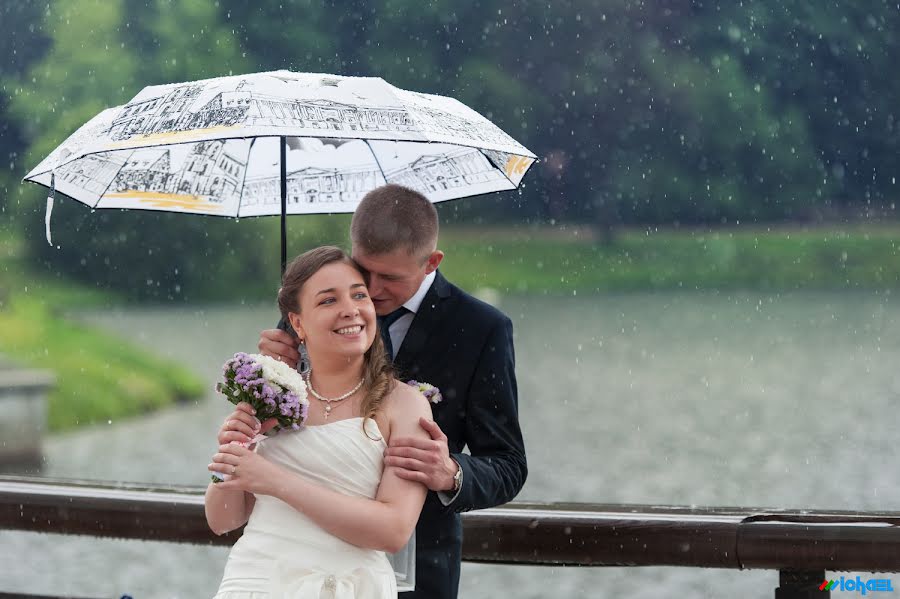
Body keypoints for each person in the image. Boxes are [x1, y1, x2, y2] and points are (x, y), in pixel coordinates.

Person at [258, 184, 528, 599]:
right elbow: (275, 430)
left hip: (420, 566)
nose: (373, 290)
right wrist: (276, 373)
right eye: (365, 271)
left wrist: (451, 473)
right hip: (305, 560)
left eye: (390, 278)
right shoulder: (311, 313)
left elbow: (509, 464)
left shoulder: (481, 328)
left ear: (431, 262)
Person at [207, 245, 433, 598]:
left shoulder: (404, 405)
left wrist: (273, 480)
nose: (351, 310)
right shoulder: (270, 397)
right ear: (297, 322)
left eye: (359, 296)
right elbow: (222, 520)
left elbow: (392, 531)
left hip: (352, 586)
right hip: (256, 582)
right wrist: (233, 451)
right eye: (328, 301)